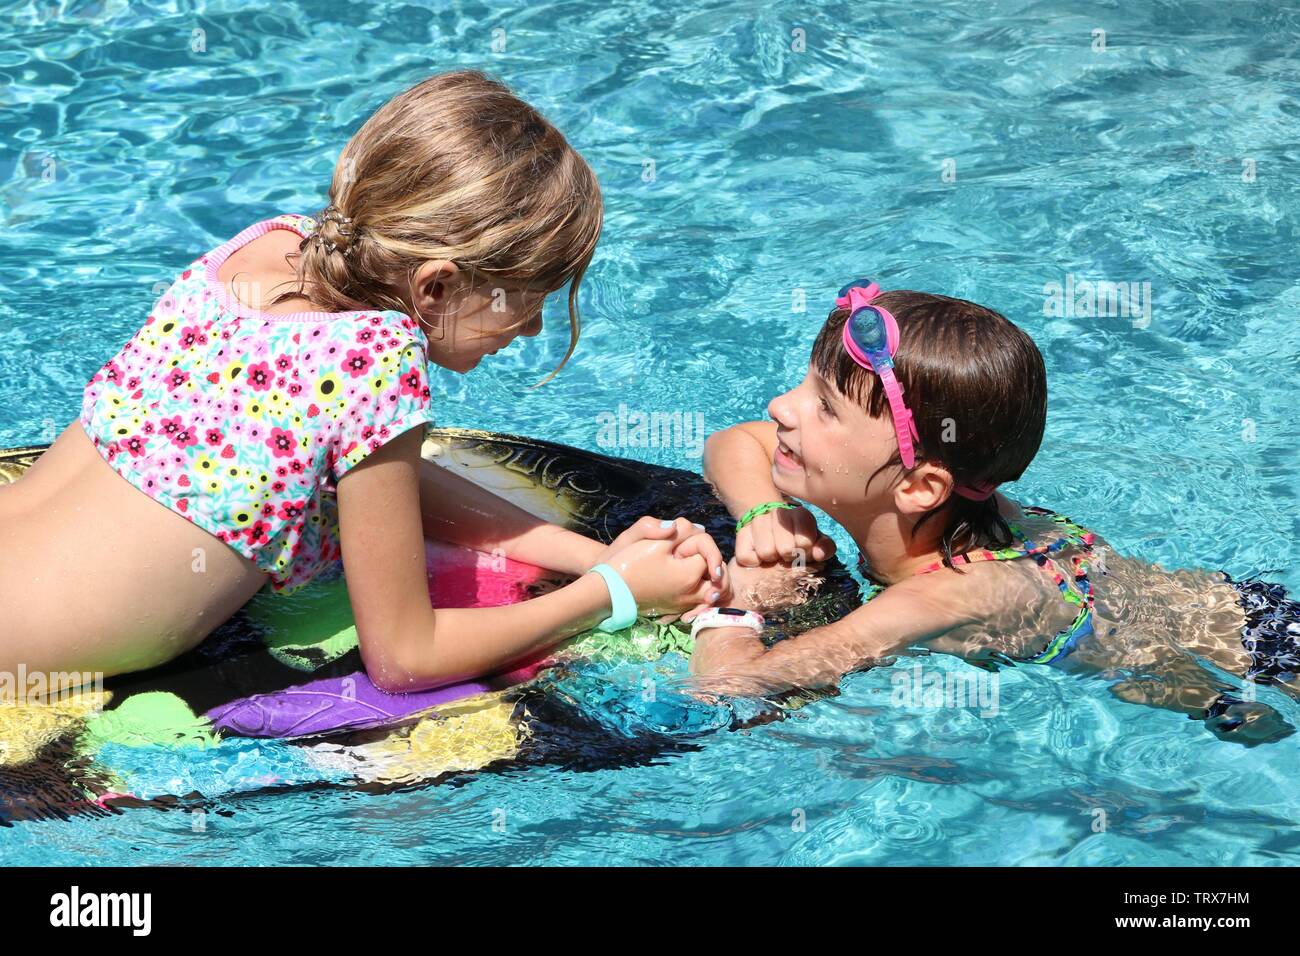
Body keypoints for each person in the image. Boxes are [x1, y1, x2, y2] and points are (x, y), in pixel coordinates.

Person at [0, 70, 725, 694]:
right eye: (525, 301)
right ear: (436, 287)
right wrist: (615, 594)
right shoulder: (376, 360)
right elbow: (405, 658)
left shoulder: (267, 248)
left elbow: (370, 481)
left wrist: (594, 553)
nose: (529, 330)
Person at [687, 279, 1297, 745]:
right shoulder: (957, 500)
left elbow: (728, 688)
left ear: (921, 488)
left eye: (824, 408)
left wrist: (737, 605)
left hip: (1246, 655)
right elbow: (733, 443)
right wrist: (761, 510)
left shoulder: (943, 596)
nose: (780, 407)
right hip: (1238, 614)